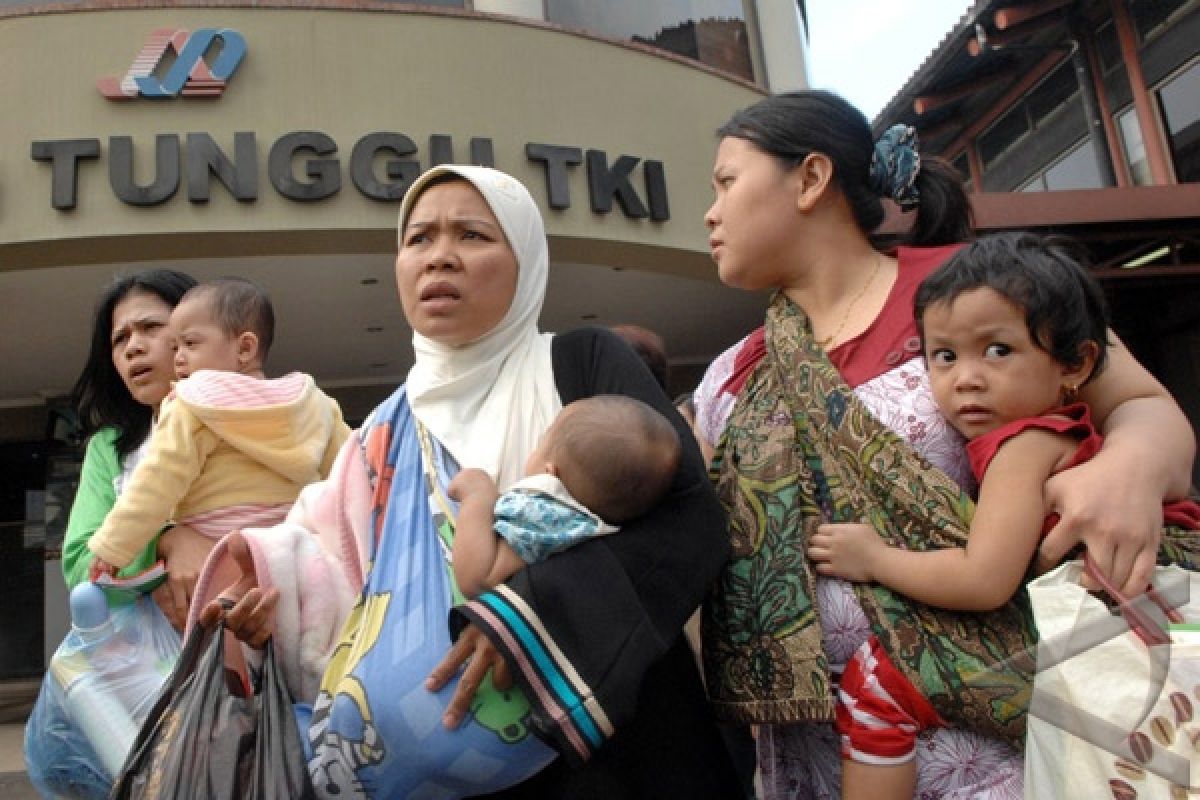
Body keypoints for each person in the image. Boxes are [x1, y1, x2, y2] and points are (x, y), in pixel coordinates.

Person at [694, 90, 1197, 799]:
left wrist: (1128, 470)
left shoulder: (976, 291)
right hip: (825, 752)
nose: (710, 213)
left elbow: (1142, 407)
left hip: (1019, 736)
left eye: (725, 182)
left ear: (810, 179)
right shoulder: (730, 376)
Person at [193, 165, 741, 798]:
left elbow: (689, 519)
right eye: (418, 239)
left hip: (611, 744)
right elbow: (337, 572)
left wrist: (523, 620)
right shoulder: (384, 430)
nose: (439, 258)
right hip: (441, 763)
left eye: (473, 236)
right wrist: (269, 608)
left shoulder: (582, 362)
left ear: (525, 258)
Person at [806, 232, 1200, 799]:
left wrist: (874, 558)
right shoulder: (1041, 436)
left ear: (1076, 364)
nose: (966, 377)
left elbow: (984, 579)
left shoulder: (1024, 446)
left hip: (1120, 621)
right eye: (943, 356)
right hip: (1132, 620)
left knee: (877, 680)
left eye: (997, 350)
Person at [86, 277, 350, 592]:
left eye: (189, 344)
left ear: (245, 347)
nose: (179, 357)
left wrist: (112, 548)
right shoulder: (312, 400)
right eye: (176, 346)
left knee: (229, 638)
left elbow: (158, 481)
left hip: (221, 554)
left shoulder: (192, 403)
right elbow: (352, 472)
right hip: (301, 553)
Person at [449, 394, 680, 598]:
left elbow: (478, 578)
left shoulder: (544, 515)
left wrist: (477, 495)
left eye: (541, 444)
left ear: (550, 475)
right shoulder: (593, 528)